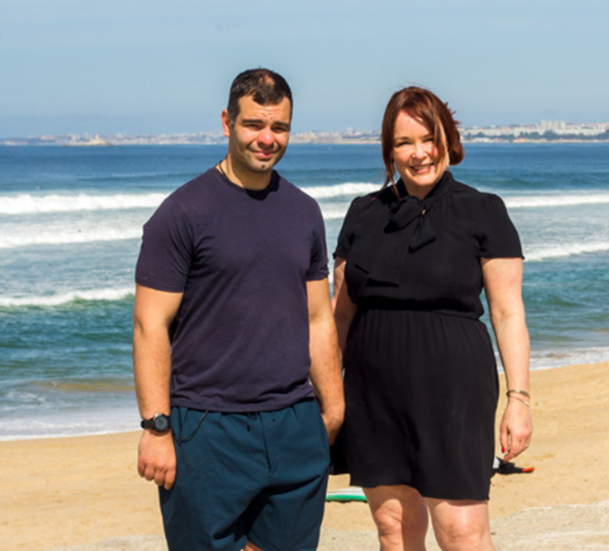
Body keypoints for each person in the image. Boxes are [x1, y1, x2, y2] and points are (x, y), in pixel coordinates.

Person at [133, 68, 344, 551]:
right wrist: (156, 427)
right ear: (227, 122)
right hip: (207, 427)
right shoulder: (181, 213)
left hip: (293, 421)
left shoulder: (304, 211)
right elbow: (150, 324)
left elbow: (317, 318)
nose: (267, 139)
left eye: (280, 128)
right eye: (254, 125)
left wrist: (332, 410)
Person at [332, 86, 532, 551]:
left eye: (429, 139)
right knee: (394, 531)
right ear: (389, 151)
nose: (419, 154)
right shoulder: (363, 213)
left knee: (462, 533)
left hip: (454, 391)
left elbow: (507, 312)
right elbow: (338, 316)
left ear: (448, 140)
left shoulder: (483, 210)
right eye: (404, 143)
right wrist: (323, 394)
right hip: (373, 394)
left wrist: (518, 399)